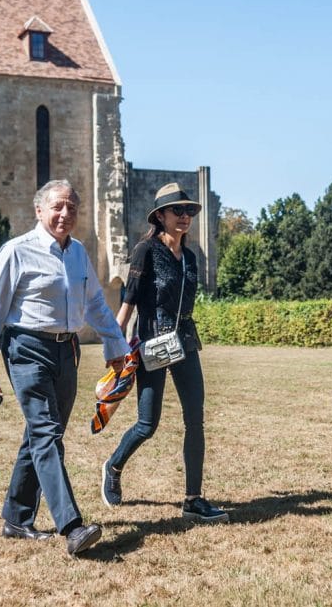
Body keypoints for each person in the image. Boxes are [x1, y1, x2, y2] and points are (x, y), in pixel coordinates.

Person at [0, 179, 131, 555]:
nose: (65, 213)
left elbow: (95, 305)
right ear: (39, 210)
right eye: (58, 206)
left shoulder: (78, 254)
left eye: (72, 207)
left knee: (44, 435)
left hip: (67, 350)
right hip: (26, 347)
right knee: (45, 431)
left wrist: (115, 344)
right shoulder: (16, 251)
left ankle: (16, 518)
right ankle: (72, 527)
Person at [100, 182, 229, 523]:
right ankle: (113, 466)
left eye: (189, 211)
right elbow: (127, 304)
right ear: (160, 215)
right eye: (178, 211)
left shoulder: (190, 256)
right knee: (147, 424)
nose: (185, 217)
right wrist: (115, 345)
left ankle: (194, 498)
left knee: (195, 420)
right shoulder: (145, 250)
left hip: (185, 340)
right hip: (152, 344)